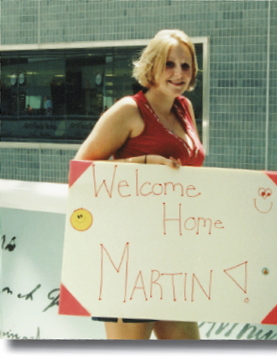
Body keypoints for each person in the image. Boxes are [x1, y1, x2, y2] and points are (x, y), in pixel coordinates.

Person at [74, 29, 205, 340]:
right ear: (152, 66)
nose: (179, 73)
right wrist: (145, 163)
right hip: (128, 253)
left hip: (174, 249)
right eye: (169, 64)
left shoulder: (184, 108)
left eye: (186, 66)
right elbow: (81, 172)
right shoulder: (128, 110)